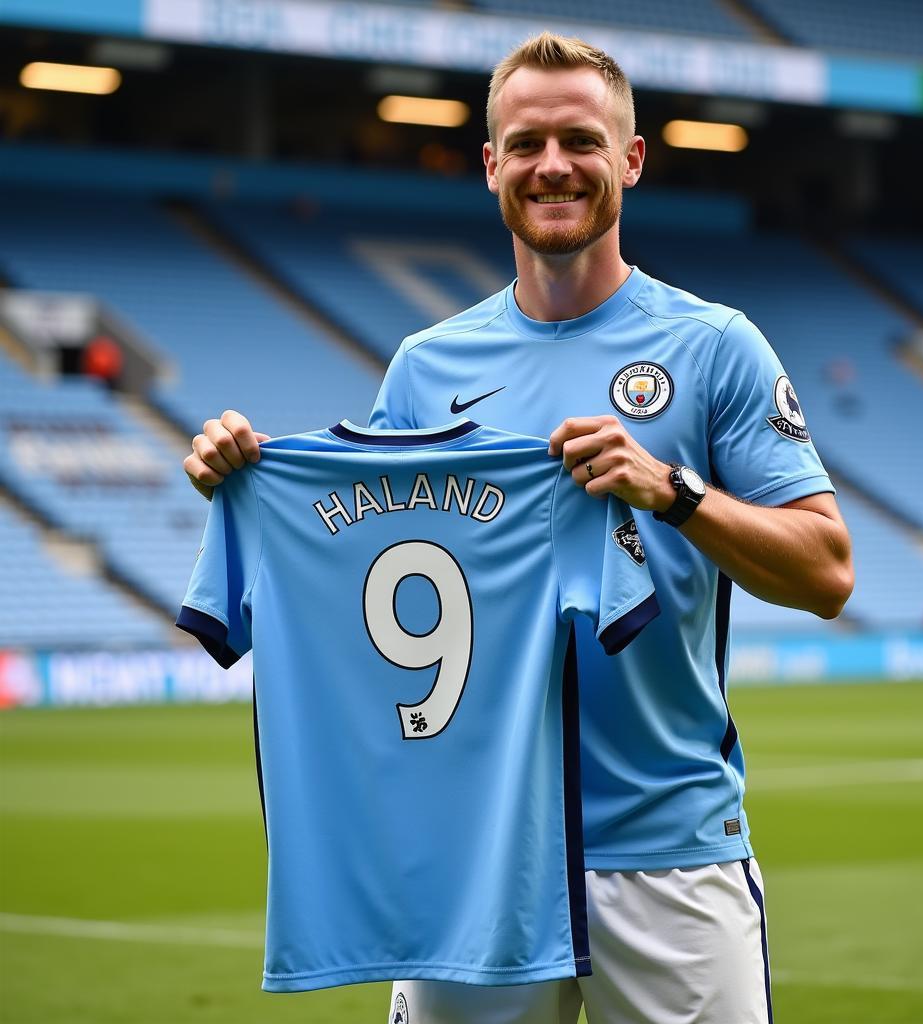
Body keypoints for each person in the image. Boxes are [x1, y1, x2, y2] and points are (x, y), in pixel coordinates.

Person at [184, 32, 854, 1024]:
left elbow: (828, 573)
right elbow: (377, 598)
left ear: (629, 159)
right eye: (526, 142)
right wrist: (250, 477)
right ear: (489, 162)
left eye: (580, 141)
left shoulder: (715, 347)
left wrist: (669, 490)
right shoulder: (423, 366)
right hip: (474, 860)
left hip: (668, 851)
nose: (553, 165)